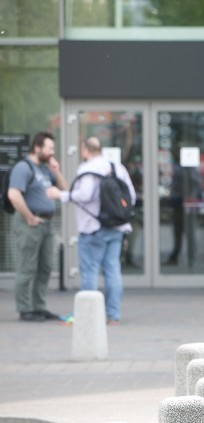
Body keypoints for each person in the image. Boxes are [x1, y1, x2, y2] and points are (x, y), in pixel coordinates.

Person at [54, 137, 136, 324]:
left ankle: (88, 317)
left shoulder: (87, 169)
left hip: (93, 228)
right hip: (116, 226)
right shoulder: (117, 167)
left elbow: (84, 195)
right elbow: (130, 195)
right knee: (113, 270)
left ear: (85, 150)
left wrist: (61, 195)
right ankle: (113, 316)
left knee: (90, 271)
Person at [7, 132, 68, 322]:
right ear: (37, 148)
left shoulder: (45, 168)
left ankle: (39, 306)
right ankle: (25, 309)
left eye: (53, 149)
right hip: (30, 223)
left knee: (45, 267)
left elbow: (65, 190)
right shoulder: (23, 168)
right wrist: (30, 217)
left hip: (47, 224)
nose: (52, 153)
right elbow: (13, 194)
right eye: (49, 149)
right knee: (27, 267)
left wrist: (56, 170)